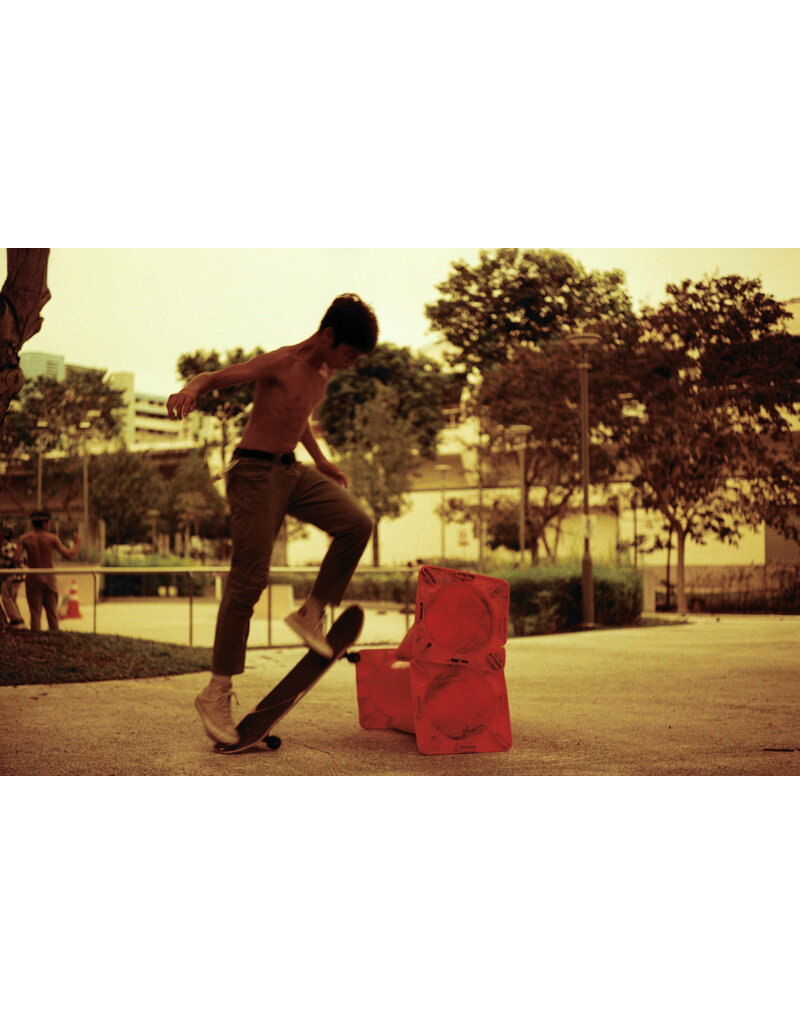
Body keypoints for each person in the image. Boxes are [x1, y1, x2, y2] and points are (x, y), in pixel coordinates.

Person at [166, 294, 377, 745]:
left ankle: (311, 612)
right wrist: (190, 390)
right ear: (327, 337)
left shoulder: (322, 375)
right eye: (350, 354)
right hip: (254, 473)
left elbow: (298, 417)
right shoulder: (282, 363)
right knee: (248, 580)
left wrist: (319, 459)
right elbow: (215, 377)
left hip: (292, 472)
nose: (350, 364)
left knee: (358, 523)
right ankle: (216, 691)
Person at [16, 512, 81, 631]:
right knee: (52, 614)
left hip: (34, 578)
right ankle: (54, 640)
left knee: (35, 615)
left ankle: (36, 642)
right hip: (49, 578)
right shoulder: (52, 538)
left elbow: (15, 559)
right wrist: (77, 545)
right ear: (45, 523)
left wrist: (27, 561)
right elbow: (69, 556)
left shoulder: (25, 539)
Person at [1, 526, 25, 627]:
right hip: (18, 576)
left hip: (12, 576)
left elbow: (12, 560)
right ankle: (18, 618)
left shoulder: (6, 547)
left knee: (6, 598)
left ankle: (15, 620)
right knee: (12, 599)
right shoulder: (14, 545)